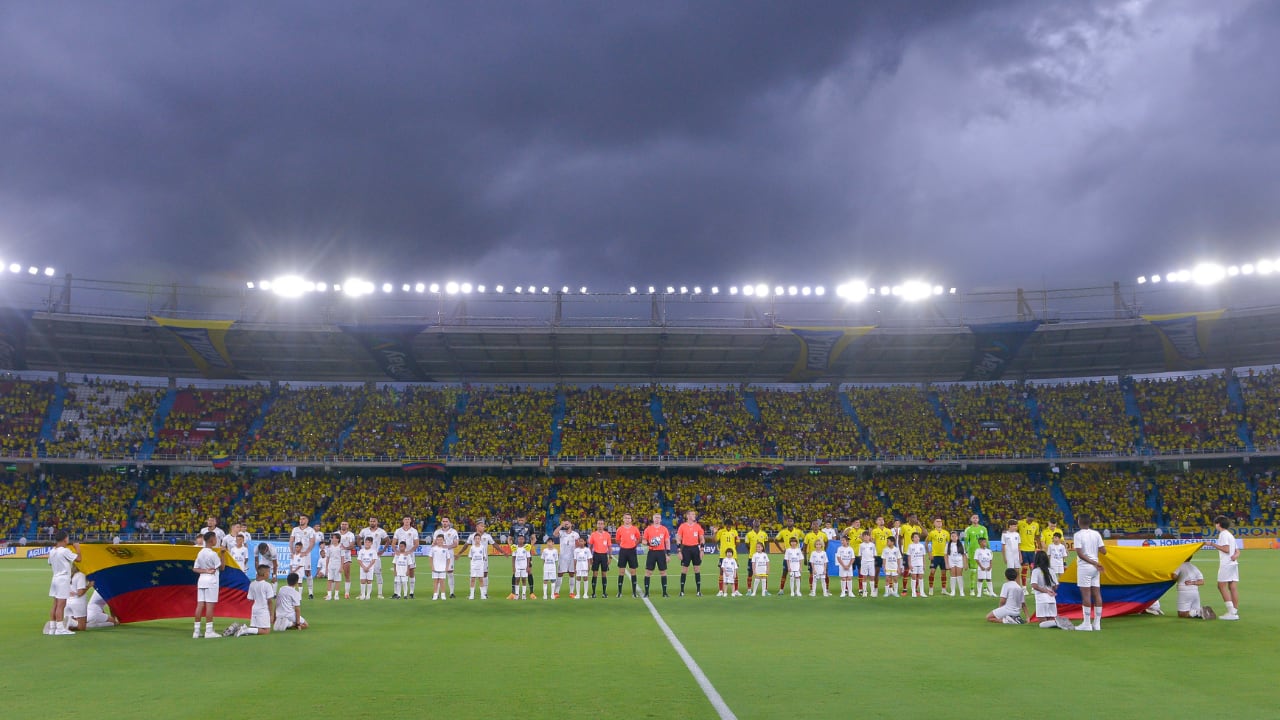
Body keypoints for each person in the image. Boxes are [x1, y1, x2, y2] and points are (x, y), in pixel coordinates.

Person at [1072, 514, 1107, 631]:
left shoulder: (1078, 535)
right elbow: (1104, 551)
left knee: (1086, 595)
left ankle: (1087, 624)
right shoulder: (1096, 534)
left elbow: (1080, 554)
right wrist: (1095, 561)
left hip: (1085, 567)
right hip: (1096, 567)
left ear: (1079, 522)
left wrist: (1092, 562)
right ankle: (1097, 623)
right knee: (1097, 593)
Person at [45, 531, 80, 636]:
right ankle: (60, 629)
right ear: (65, 539)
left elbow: (50, 563)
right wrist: (77, 548)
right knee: (61, 604)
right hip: (63, 579)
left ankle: (53, 627)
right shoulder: (65, 551)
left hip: (55, 578)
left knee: (55, 604)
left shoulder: (52, 551)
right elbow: (79, 559)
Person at [1207, 515, 1240, 620]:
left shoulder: (1223, 535)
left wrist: (1212, 544)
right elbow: (1237, 551)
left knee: (1221, 586)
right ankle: (1234, 610)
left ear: (1218, 524)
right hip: (1233, 563)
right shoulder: (1230, 535)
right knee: (1232, 587)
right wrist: (1235, 556)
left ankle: (1231, 612)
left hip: (1226, 564)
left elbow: (1226, 549)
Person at [1029, 551, 1072, 629]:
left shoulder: (1036, 571)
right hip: (1051, 599)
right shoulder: (1051, 571)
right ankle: (1059, 622)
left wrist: (1046, 591)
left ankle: (1058, 622)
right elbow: (1056, 587)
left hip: (1041, 600)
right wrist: (1051, 591)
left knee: (1042, 623)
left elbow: (1034, 585)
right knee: (1050, 623)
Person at [231, 564, 276, 636]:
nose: (269, 574)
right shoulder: (267, 585)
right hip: (263, 610)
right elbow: (270, 601)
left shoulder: (252, 584)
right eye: (268, 572)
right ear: (264, 574)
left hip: (254, 609)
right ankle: (245, 629)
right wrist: (272, 615)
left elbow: (250, 598)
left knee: (255, 628)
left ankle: (240, 629)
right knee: (266, 631)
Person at [193, 530, 222, 638]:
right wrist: (222, 554)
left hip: (201, 580)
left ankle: (196, 631)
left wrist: (205, 571)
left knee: (200, 605)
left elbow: (195, 569)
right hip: (211, 581)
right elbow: (221, 567)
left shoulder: (200, 552)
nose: (216, 540)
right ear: (211, 540)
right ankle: (209, 631)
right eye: (215, 538)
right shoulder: (213, 554)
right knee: (210, 606)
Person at [675, 510, 706, 597]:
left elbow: (702, 538)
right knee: (684, 569)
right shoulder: (682, 526)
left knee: (697, 569)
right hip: (685, 549)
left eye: (694, 514)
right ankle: (681, 591)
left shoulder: (698, 526)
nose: (694, 515)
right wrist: (679, 551)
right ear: (688, 516)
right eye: (692, 514)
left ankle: (699, 591)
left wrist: (702, 549)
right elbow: (678, 539)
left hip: (695, 548)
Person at [359, 516, 390, 596]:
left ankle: (380, 593)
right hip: (365, 557)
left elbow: (388, 540)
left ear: (377, 522)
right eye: (371, 521)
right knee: (364, 574)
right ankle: (362, 593)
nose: (372, 522)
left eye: (374, 521)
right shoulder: (364, 530)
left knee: (378, 574)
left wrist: (383, 550)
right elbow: (358, 538)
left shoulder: (381, 531)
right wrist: (361, 548)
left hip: (375, 556)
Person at [642, 513, 671, 598]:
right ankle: (646, 592)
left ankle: (664, 593)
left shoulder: (664, 529)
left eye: (659, 518)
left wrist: (668, 554)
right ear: (653, 519)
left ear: (660, 519)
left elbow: (667, 542)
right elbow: (643, 541)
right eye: (656, 517)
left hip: (661, 552)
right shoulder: (648, 529)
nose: (657, 519)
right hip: (652, 552)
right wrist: (649, 543)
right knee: (648, 572)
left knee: (663, 572)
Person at [289, 515, 318, 599]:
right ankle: (294, 593)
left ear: (307, 520)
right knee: (295, 572)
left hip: (305, 554)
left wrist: (306, 552)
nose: (301, 520)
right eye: (300, 519)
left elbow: (312, 542)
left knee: (307, 572)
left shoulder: (310, 530)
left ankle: (310, 593)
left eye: (303, 519)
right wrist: (291, 552)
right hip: (297, 554)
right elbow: (291, 541)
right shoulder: (295, 529)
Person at [432, 517, 460, 599]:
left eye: (446, 521)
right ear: (441, 522)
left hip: (449, 555)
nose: (445, 523)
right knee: (439, 573)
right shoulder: (437, 532)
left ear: (449, 522)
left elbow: (456, 544)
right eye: (443, 521)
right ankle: (438, 593)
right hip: (439, 556)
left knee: (450, 573)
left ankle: (451, 593)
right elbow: (433, 543)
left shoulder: (453, 532)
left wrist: (446, 547)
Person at [615, 513, 642, 598]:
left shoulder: (634, 529)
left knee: (633, 571)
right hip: (623, 551)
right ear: (623, 519)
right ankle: (619, 592)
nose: (627, 520)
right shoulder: (620, 529)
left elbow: (639, 538)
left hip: (632, 551)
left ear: (631, 520)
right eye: (626, 518)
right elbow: (617, 540)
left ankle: (634, 592)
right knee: (621, 572)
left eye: (629, 518)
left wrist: (634, 545)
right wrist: (623, 545)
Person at [392, 517, 419, 599]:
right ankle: (396, 593)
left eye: (408, 519)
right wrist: (396, 551)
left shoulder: (414, 531)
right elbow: (393, 543)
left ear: (410, 521)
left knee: (411, 573)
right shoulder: (398, 530)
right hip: (400, 555)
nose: (407, 521)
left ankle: (411, 592)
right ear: (403, 521)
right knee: (397, 572)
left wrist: (409, 551)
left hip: (409, 555)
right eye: (405, 519)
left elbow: (416, 544)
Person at [509, 513, 536, 597]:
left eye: (522, 520)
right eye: (519, 520)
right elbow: (509, 538)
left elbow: (534, 538)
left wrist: (530, 546)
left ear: (525, 519)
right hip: (517, 551)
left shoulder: (530, 526)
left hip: (526, 551)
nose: (520, 521)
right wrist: (511, 546)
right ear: (517, 519)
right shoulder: (513, 527)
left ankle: (531, 593)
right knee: (515, 571)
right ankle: (513, 593)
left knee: (529, 571)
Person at [552, 520, 580, 598]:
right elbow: (554, 534)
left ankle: (571, 592)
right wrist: (561, 525)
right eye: (565, 524)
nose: (566, 525)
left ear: (571, 524)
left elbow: (578, 545)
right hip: (563, 557)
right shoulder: (561, 532)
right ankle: (556, 592)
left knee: (572, 574)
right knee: (560, 574)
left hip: (572, 557)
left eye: (567, 523)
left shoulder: (575, 534)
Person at [776, 519, 804, 593]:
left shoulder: (798, 531)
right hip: (788, 555)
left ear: (793, 522)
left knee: (797, 573)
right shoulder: (783, 531)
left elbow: (806, 539)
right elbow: (775, 540)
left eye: (791, 521)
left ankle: (797, 590)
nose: (789, 522)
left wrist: (802, 549)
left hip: (796, 556)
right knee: (785, 572)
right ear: (786, 523)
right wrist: (781, 550)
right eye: (788, 521)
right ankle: (781, 590)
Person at [962, 514, 988, 595]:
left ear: (978, 519)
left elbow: (986, 540)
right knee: (973, 571)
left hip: (983, 552)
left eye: (977, 517)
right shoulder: (968, 529)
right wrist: (966, 552)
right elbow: (966, 542)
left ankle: (985, 589)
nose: (975, 519)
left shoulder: (983, 528)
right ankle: (972, 589)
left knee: (984, 570)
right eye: (974, 518)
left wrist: (989, 549)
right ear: (971, 519)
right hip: (972, 552)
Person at [587, 519, 612, 599]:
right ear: (596, 525)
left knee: (604, 574)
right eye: (599, 524)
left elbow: (609, 547)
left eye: (601, 524)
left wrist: (610, 557)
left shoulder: (607, 535)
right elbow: (590, 547)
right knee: (595, 574)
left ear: (604, 525)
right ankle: (593, 593)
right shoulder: (593, 534)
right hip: (596, 555)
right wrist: (590, 557)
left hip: (604, 555)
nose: (600, 525)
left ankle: (604, 593)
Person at [714, 522, 739, 596]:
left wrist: (733, 548)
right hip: (723, 555)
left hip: (733, 555)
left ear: (731, 525)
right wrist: (715, 533)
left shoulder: (734, 532)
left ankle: (736, 591)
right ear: (725, 525)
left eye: (730, 524)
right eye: (727, 524)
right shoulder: (721, 531)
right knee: (721, 572)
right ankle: (721, 591)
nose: (728, 526)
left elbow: (738, 542)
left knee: (735, 572)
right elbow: (715, 540)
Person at [926, 518, 949, 596]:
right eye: (937, 521)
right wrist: (929, 553)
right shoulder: (932, 533)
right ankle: (931, 589)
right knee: (932, 572)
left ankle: (943, 589)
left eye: (940, 521)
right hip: (935, 556)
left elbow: (949, 544)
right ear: (934, 524)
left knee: (944, 573)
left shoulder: (946, 533)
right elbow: (926, 543)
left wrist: (948, 555)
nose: (939, 523)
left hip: (943, 556)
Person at [743, 520, 768, 588]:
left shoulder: (764, 534)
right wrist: (752, 551)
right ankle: (749, 589)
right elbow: (747, 544)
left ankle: (765, 590)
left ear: (759, 524)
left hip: (761, 557)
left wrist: (763, 552)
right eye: (755, 522)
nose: (757, 523)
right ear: (753, 524)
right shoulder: (749, 534)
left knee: (764, 573)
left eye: (758, 522)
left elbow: (766, 543)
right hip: (752, 557)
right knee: (750, 573)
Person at [64, 566, 90, 631]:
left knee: (75, 625)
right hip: (78, 603)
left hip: (67, 602)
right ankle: (71, 622)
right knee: (82, 628)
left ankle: (69, 623)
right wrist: (89, 586)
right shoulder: (81, 575)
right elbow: (80, 593)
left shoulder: (68, 574)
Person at [465, 532, 490, 600]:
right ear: (474, 539)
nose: (477, 540)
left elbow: (484, 557)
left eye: (478, 538)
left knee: (481, 579)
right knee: (473, 579)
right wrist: (474, 562)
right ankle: (471, 595)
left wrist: (480, 562)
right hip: (473, 566)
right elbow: (470, 557)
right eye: (476, 538)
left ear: (480, 539)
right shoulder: (472, 547)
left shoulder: (482, 547)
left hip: (480, 566)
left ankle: (482, 595)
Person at [871, 516, 891, 596]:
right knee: (877, 571)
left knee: (890, 572)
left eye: (882, 519)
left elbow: (891, 542)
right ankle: (875, 588)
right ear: (876, 522)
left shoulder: (888, 531)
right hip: (878, 554)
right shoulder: (874, 531)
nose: (881, 521)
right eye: (879, 519)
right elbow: (872, 542)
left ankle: (890, 588)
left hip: (888, 554)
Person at [427, 535, 451, 600]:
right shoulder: (433, 548)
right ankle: (435, 594)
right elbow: (430, 558)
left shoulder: (445, 549)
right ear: (436, 541)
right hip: (435, 568)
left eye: (441, 540)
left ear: (443, 540)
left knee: (442, 581)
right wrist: (432, 566)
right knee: (435, 581)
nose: (439, 541)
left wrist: (447, 567)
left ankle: (443, 594)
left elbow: (448, 558)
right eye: (438, 540)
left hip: (443, 568)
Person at [1018, 514, 1040, 586]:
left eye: (1032, 519)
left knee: (1032, 567)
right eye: (1029, 519)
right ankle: (1024, 587)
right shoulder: (1020, 523)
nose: (1030, 521)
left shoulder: (1036, 525)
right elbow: (1013, 529)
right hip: (1023, 548)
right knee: (1025, 566)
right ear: (1026, 517)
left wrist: (1039, 546)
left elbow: (1037, 536)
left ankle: (1033, 586)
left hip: (1032, 549)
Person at [338, 521, 356, 599]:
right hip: (336, 557)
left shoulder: (350, 534)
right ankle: (332, 593)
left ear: (348, 526)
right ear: (340, 525)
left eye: (345, 524)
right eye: (342, 524)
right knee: (333, 576)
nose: (344, 525)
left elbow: (352, 545)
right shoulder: (336, 534)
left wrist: (345, 548)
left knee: (347, 574)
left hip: (346, 557)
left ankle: (347, 593)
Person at [357, 536, 379, 600]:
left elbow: (373, 560)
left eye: (368, 542)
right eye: (366, 542)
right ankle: (363, 594)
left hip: (370, 568)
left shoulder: (373, 551)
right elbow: (359, 560)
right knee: (363, 581)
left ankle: (368, 595)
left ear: (371, 543)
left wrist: (368, 567)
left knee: (369, 581)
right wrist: (364, 567)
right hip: (362, 568)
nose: (367, 543)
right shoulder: (361, 551)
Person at [945, 531, 967, 597]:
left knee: (959, 575)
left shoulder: (961, 544)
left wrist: (965, 563)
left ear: (958, 537)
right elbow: (945, 555)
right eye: (952, 536)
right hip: (951, 561)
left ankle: (961, 591)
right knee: (953, 576)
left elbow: (964, 555)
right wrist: (947, 564)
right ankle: (953, 591)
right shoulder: (948, 545)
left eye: (955, 536)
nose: (954, 537)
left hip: (959, 561)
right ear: (950, 537)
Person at [324, 533, 345, 601]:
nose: (333, 539)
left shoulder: (341, 547)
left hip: (338, 565)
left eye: (334, 538)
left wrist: (341, 567)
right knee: (329, 580)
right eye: (332, 538)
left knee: (337, 580)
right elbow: (327, 558)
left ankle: (336, 595)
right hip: (331, 565)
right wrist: (326, 567)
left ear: (338, 539)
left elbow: (342, 558)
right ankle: (329, 595)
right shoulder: (329, 547)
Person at [857, 531, 877, 598]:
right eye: (864, 536)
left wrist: (872, 560)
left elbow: (874, 554)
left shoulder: (872, 545)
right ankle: (865, 591)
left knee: (872, 577)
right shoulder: (861, 545)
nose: (866, 537)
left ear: (869, 537)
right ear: (862, 537)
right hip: (864, 562)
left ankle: (872, 592)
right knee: (864, 577)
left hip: (871, 562)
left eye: (867, 535)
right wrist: (863, 561)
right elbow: (860, 555)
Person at [906, 532, 926, 598]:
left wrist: (924, 564)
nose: (917, 538)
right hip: (913, 564)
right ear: (912, 538)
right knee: (913, 578)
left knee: (921, 578)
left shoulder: (921, 546)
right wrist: (909, 564)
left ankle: (922, 592)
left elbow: (923, 556)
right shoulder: (910, 546)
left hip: (920, 564)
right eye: (915, 537)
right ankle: (913, 592)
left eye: (918, 537)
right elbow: (909, 556)